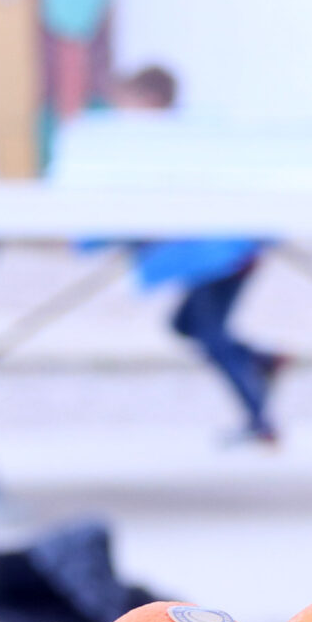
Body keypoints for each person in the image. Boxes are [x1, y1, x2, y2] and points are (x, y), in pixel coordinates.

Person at [110, 66, 287, 444]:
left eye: (128, 104)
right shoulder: (174, 139)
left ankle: (261, 422)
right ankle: (262, 362)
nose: (123, 114)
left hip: (226, 252)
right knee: (187, 325)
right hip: (219, 252)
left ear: (152, 101)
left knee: (209, 333)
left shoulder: (180, 140)